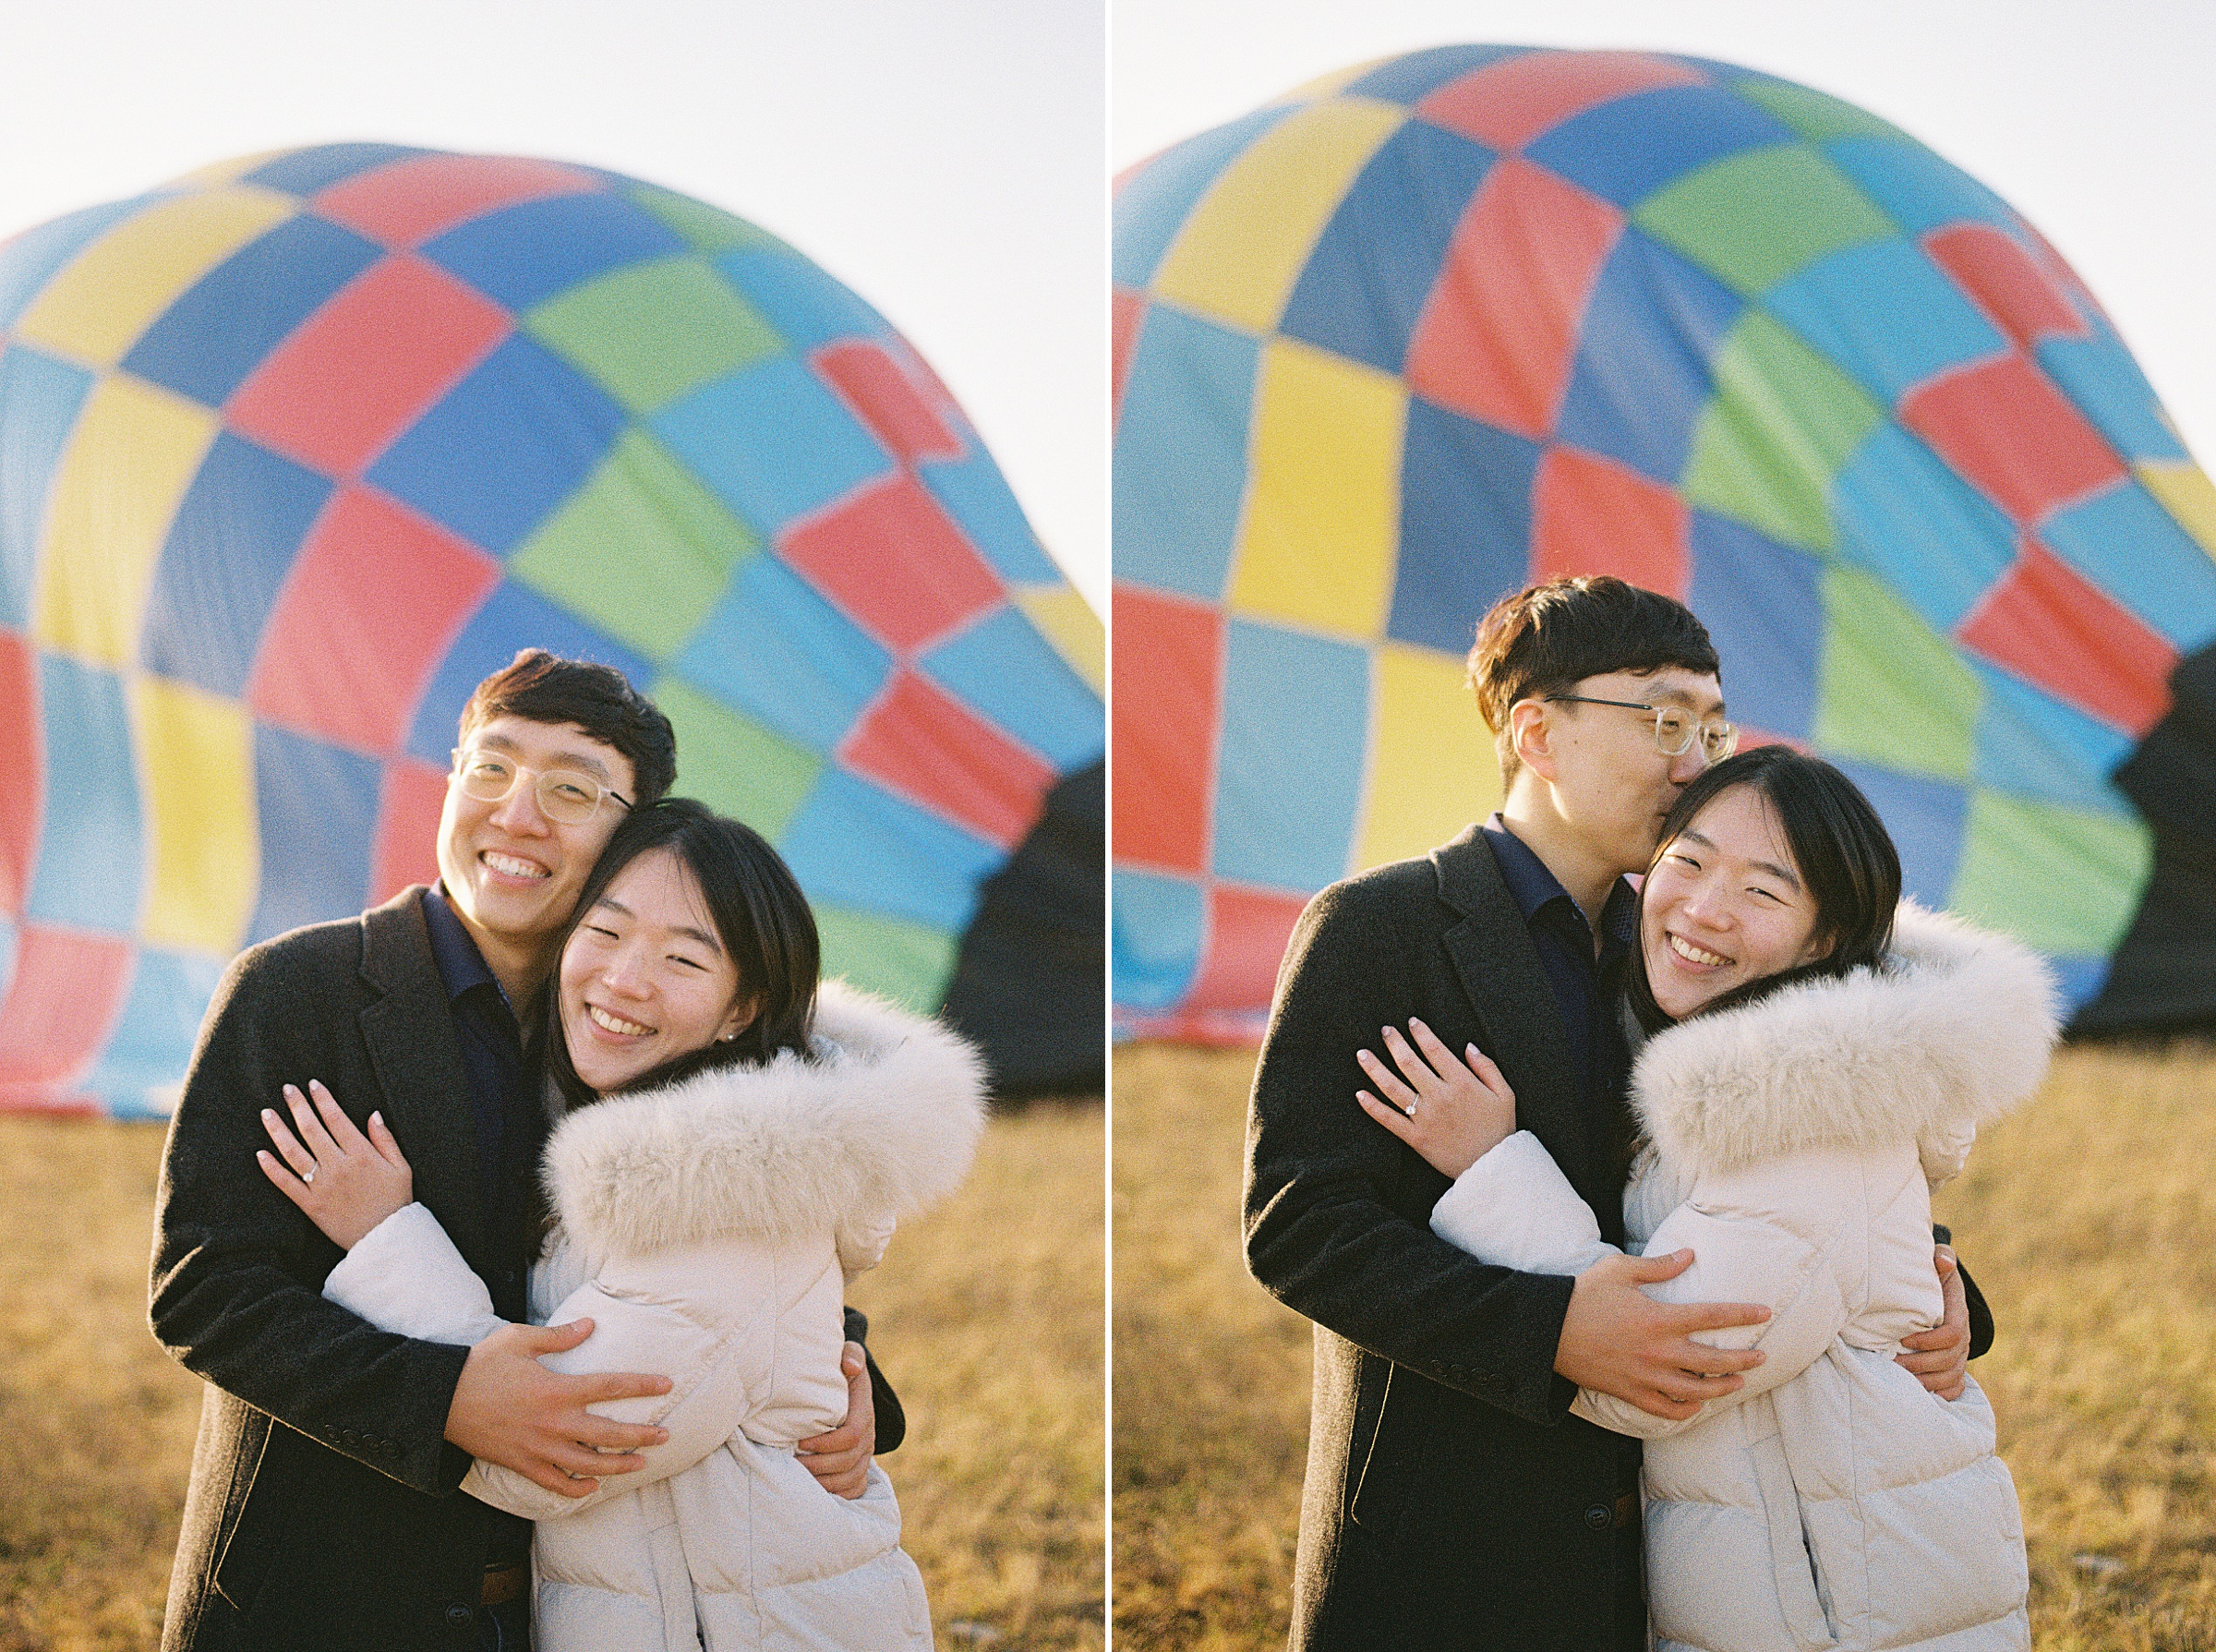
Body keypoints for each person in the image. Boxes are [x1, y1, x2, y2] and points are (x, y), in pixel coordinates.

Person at [1242, 577, 1981, 1652]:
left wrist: (1938, 1285)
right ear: (1537, 730)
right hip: (1445, 1528)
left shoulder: (1691, 942)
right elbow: (1301, 1225)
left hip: (1654, 1540)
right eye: (1667, 720)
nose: (1699, 762)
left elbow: (1809, 1144)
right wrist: (1554, 1333)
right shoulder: (1380, 924)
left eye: (1715, 728)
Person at [150, 650, 894, 1652]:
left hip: (556, 1604)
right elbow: (205, 1286)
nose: (518, 813)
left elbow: (735, 1232)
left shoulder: (630, 1023)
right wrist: (447, 1398)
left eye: (572, 790)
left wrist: (851, 1383)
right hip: (320, 1594)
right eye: (491, 768)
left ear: (627, 836)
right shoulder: (299, 991)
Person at [256, 798, 987, 1650]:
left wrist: (387, 1238)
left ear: (740, 1010)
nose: (623, 979)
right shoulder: (618, 1126)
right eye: (603, 932)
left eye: (683, 958)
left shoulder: (721, 1200)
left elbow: (555, 1453)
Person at [1363, 746, 2050, 1650]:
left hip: (1845, 1617)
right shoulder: (1707, 1058)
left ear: (1826, 940)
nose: (1704, 908)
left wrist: (1493, 1170)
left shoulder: (1802, 1121)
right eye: (1687, 862)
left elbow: (1660, 1373)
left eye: (1764, 891)